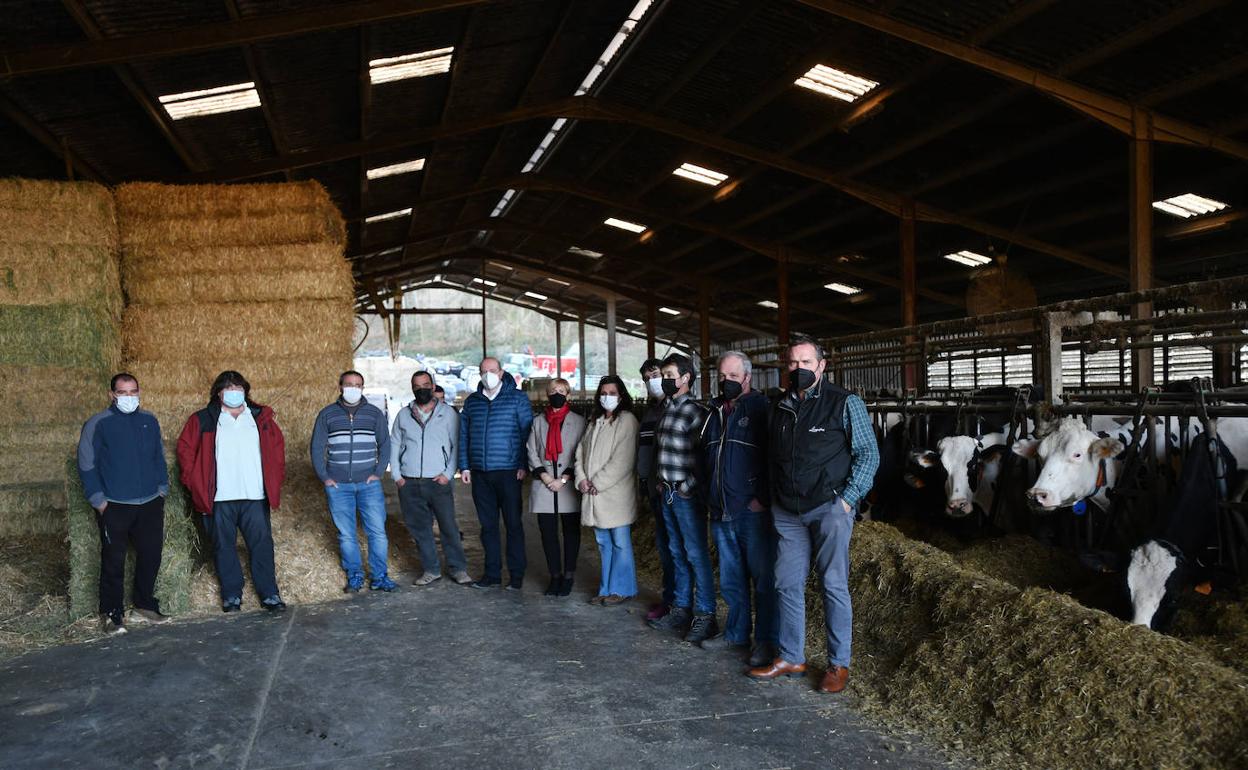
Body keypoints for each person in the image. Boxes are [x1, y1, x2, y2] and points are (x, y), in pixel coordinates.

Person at [748, 334, 879, 694]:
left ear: (822, 365)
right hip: (788, 511)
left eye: (806, 362)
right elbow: (770, 457)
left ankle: (838, 663)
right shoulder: (779, 406)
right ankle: (792, 656)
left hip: (828, 507)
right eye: (793, 362)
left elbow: (868, 454)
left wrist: (847, 500)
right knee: (786, 582)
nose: (799, 368)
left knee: (833, 583)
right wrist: (772, 498)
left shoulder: (844, 402)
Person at [177, 371, 286, 613]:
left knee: (261, 545)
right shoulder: (203, 420)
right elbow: (185, 452)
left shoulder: (260, 418)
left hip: (254, 495)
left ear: (245, 391)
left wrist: (275, 479)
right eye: (228, 388)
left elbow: (277, 451)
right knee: (223, 547)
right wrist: (194, 482)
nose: (234, 392)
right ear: (218, 393)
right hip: (218, 498)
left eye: (238, 388)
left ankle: (269, 593)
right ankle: (231, 595)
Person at [698, 351, 777, 665]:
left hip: (751, 511)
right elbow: (704, 457)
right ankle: (736, 633)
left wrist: (761, 498)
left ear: (747, 377)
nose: (726, 381)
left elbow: (774, 457)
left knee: (763, 579)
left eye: (733, 376)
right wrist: (708, 494)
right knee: (731, 578)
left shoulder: (761, 409)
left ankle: (766, 641)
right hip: (720, 509)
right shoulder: (714, 411)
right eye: (722, 376)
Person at [76, 373, 170, 635]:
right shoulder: (98, 423)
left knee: (151, 554)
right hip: (114, 504)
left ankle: (144, 605)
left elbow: (158, 456)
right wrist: (98, 500)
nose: (129, 397)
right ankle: (112, 614)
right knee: (113, 560)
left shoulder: (149, 420)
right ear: (111, 395)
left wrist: (162, 488)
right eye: (122, 392)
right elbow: (86, 463)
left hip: (150, 502)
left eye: (133, 392)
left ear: (139, 393)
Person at [647, 353, 716, 644]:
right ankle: (681, 608)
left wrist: (687, 485)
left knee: (696, 554)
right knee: (676, 552)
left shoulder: (695, 412)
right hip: (667, 492)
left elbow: (704, 456)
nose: (664, 380)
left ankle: (706, 614)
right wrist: (662, 483)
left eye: (669, 375)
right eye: (663, 375)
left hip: (686, 494)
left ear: (686, 378)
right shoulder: (667, 409)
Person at [311, 370, 395, 593]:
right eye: (349, 384)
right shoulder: (327, 414)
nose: (353, 388)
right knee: (346, 534)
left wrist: (378, 472)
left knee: (377, 532)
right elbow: (317, 447)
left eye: (358, 385)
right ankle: (355, 575)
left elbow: (385, 444)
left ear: (363, 388)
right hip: (339, 486)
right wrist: (325, 477)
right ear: (340, 387)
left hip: (369, 484)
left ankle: (380, 576)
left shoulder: (374, 414)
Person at [390, 370, 471, 587]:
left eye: (426, 385)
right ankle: (431, 569)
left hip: (438, 482)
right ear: (412, 389)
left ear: (433, 386)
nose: (422, 389)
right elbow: (395, 444)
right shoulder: (403, 415)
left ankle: (458, 569)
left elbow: (456, 445)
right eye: (417, 386)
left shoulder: (448, 414)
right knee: (420, 529)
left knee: (448, 527)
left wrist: (447, 474)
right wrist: (397, 475)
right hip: (409, 482)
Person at [459, 356, 534, 590]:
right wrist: (465, 466)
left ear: (501, 372)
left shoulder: (517, 398)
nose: (488, 375)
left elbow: (527, 433)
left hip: (509, 471)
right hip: (481, 473)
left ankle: (516, 575)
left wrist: (523, 464)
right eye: (483, 371)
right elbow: (464, 435)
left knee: (513, 524)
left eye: (492, 370)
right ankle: (492, 574)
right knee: (487, 526)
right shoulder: (473, 402)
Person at [576, 376, 639, 606]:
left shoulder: (627, 421)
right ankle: (606, 588)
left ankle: (623, 589)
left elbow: (623, 460)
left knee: (620, 542)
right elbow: (580, 452)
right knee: (603, 543)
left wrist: (597, 483)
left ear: (621, 396)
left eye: (612, 393)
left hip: (615, 494)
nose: (607, 397)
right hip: (594, 495)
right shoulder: (595, 421)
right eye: (603, 393)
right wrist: (581, 479)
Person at [525, 378, 585, 596]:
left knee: (571, 532)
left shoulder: (579, 422)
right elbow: (531, 450)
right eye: (553, 391)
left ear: (568, 395)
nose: (556, 394)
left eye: (561, 390)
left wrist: (564, 478)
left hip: (568, 484)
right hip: (544, 484)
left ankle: (568, 575)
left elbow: (581, 452)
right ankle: (555, 575)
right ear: (547, 395)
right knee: (548, 533)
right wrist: (545, 476)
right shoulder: (538, 422)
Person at [636, 358, 676, 621]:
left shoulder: (673, 408)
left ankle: (678, 603)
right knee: (664, 546)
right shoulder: (650, 411)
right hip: (653, 488)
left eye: (656, 375)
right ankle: (669, 598)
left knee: (676, 548)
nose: (652, 381)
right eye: (647, 378)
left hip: (670, 489)